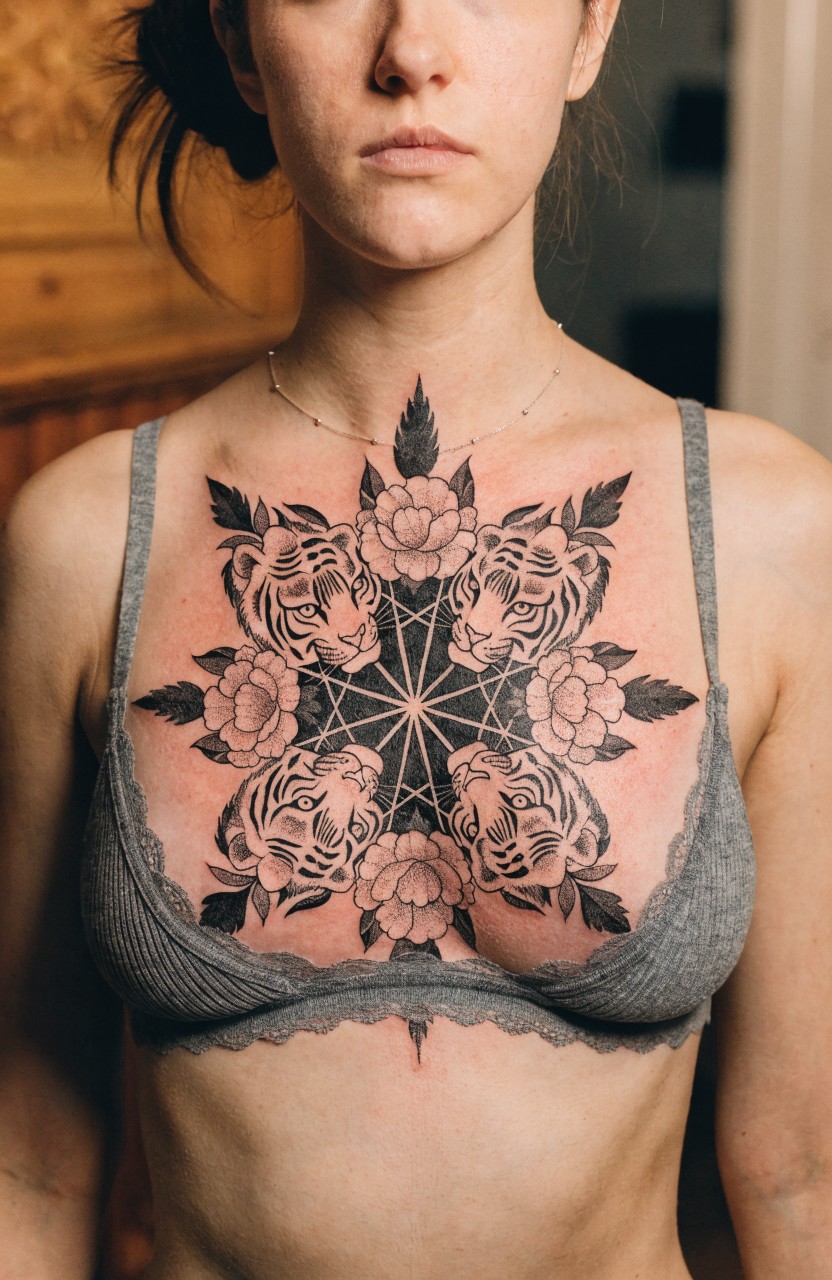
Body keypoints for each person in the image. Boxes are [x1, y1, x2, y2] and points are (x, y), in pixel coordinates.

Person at [2, 0, 831, 1276]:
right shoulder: (85, 540)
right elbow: (31, 1160)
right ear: (240, 42)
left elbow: (798, 1172)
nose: (412, 52)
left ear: (589, 31)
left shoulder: (774, 531)